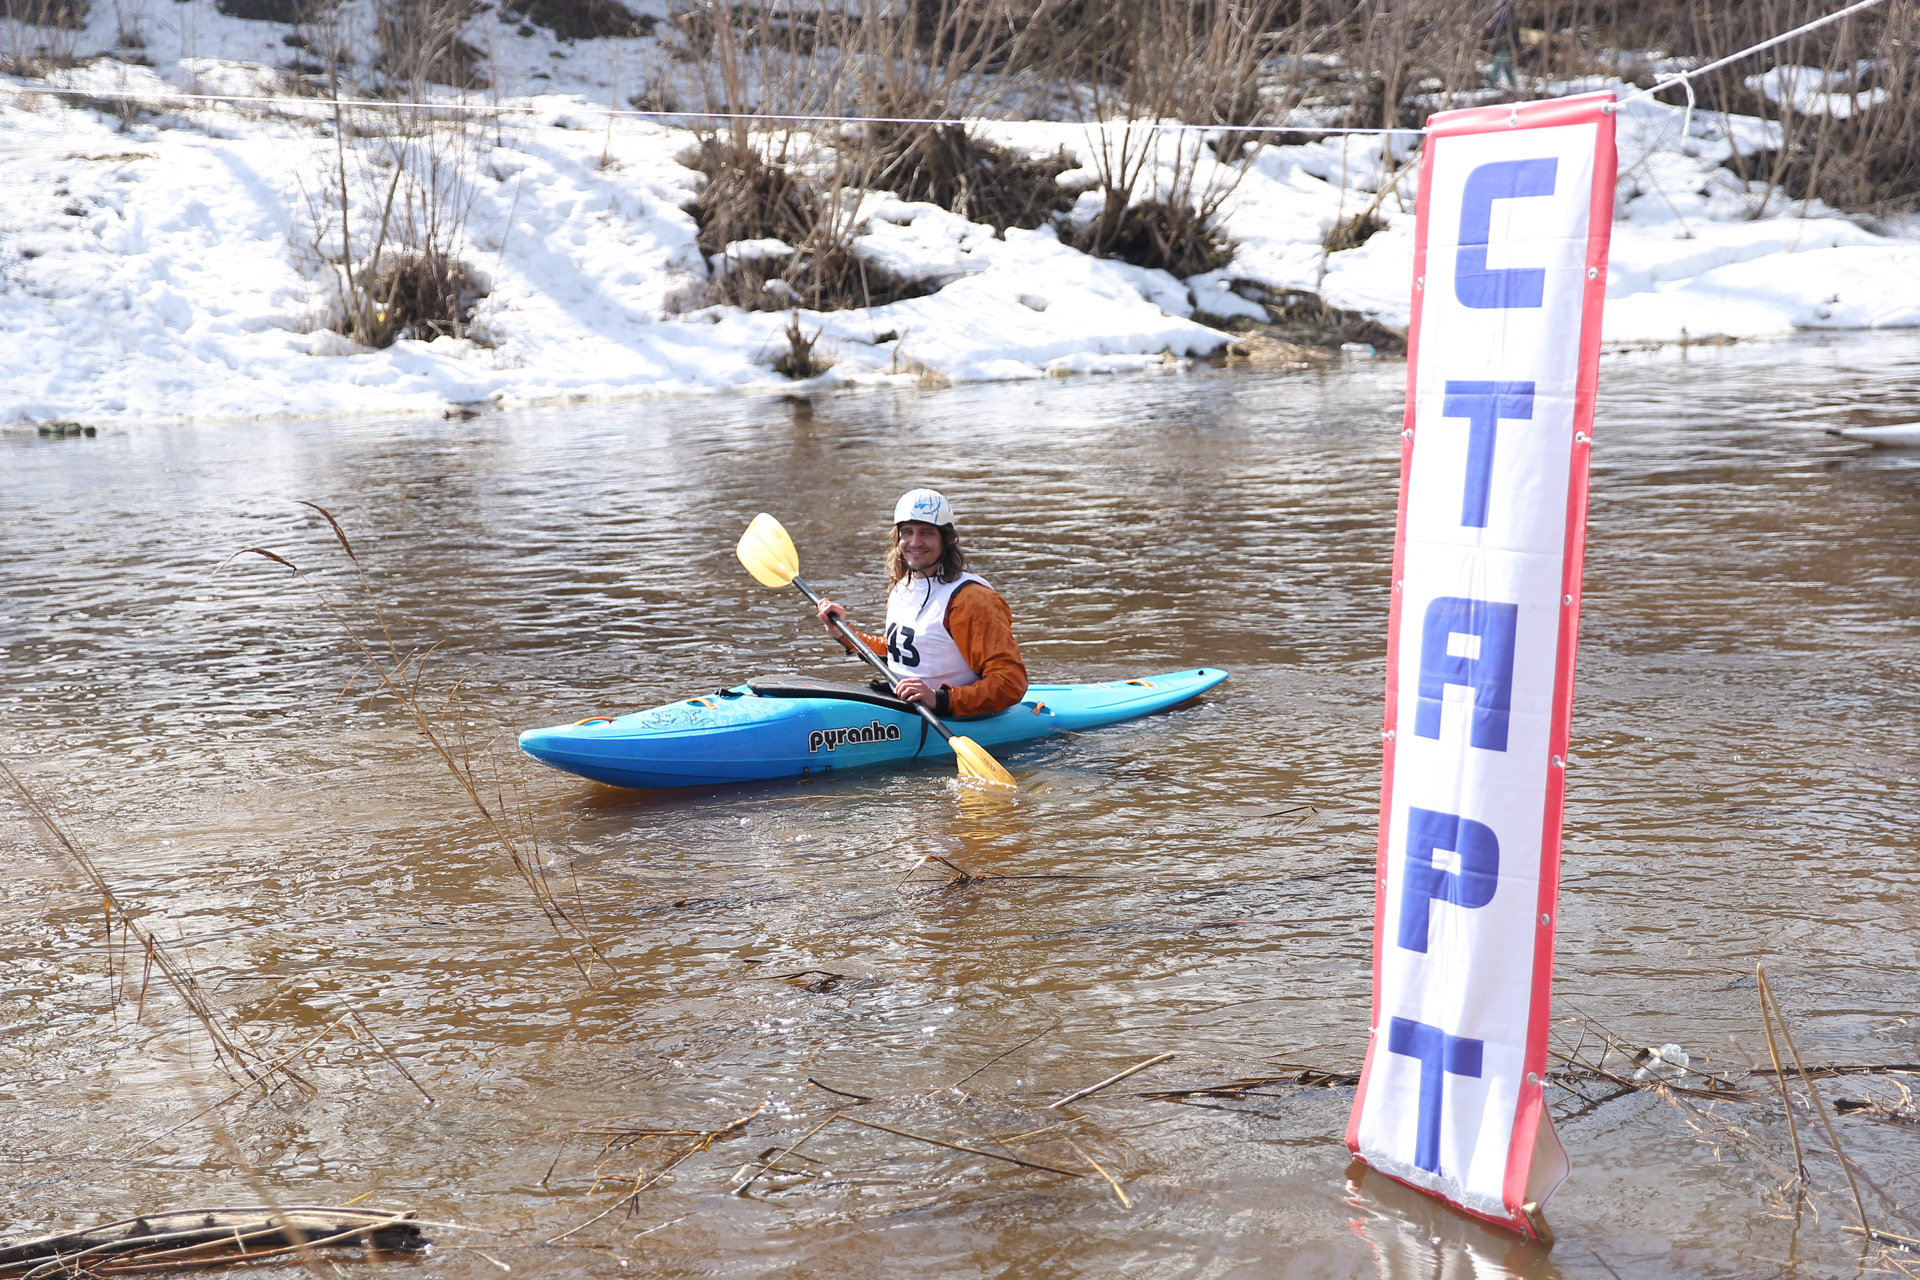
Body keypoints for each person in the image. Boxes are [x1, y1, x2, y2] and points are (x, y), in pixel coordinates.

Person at [814, 489, 1028, 717]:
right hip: (906, 706)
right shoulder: (903, 586)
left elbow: (1009, 683)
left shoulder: (972, 599)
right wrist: (843, 633)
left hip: (954, 715)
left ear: (946, 539)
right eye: (907, 532)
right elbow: (899, 653)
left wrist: (939, 699)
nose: (915, 542)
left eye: (926, 533)